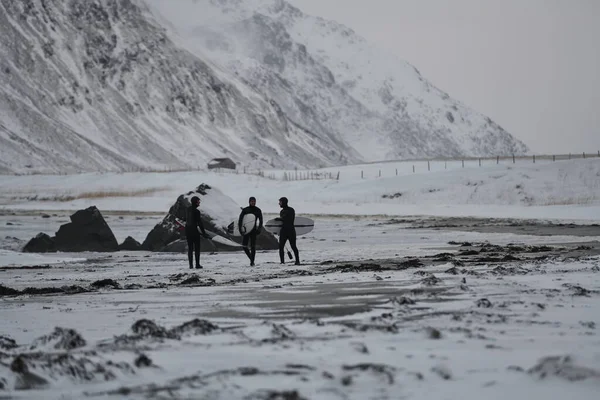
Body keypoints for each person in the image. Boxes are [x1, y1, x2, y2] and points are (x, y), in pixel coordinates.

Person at [238, 196, 263, 266]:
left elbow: (261, 220)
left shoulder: (258, 210)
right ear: (249, 202)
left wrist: (259, 229)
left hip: (253, 230)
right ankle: (251, 258)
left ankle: (252, 262)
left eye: (254, 201)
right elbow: (240, 220)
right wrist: (240, 229)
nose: (253, 202)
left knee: (253, 246)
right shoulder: (245, 210)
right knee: (244, 246)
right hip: (246, 230)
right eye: (252, 201)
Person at [185, 196, 208, 269]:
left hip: (188, 231)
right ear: (195, 202)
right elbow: (200, 223)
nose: (199, 202)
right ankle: (197, 264)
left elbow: (186, 220)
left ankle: (190, 265)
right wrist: (204, 233)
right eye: (198, 201)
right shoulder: (196, 211)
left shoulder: (188, 209)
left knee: (190, 248)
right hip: (194, 231)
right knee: (197, 248)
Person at [276, 196, 300, 265]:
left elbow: (289, 220)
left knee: (293, 246)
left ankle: (297, 261)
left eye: (280, 202)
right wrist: (277, 230)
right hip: (283, 231)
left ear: (283, 202)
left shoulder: (291, 210)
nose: (279, 204)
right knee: (281, 246)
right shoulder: (282, 211)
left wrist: (280, 219)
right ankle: (282, 262)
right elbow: (281, 222)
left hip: (290, 230)